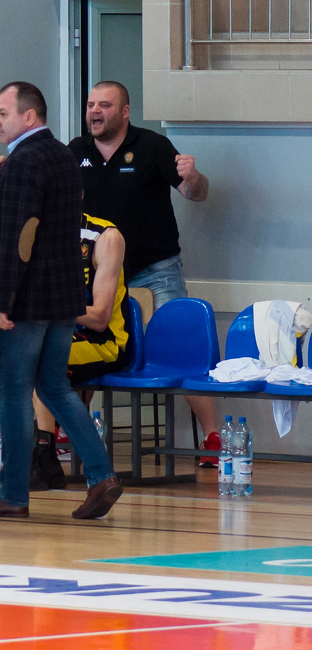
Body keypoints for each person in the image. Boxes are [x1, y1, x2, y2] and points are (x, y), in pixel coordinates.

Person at [0, 82, 123, 522]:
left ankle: (13, 493)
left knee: (15, 392)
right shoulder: (61, 155)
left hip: (28, 299)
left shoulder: (26, 160)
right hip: (62, 297)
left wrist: (3, 297)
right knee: (53, 387)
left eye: (3, 113)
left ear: (28, 116)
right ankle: (101, 475)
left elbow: (22, 235)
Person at [71, 81, 217, 466]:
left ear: (125, 112)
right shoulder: (75, 151)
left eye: (104, 105)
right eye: (91, 104)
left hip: (155, 271)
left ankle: (213, 437)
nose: (95, 111)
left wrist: (193, 177)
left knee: (179, 346)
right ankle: (72, 434)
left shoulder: (152, 146)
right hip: (96, 274)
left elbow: (196, 193)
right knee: (80, 343)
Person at [0, 212, 128, 490]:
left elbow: (100, 318)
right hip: (48, 328)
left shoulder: (106, 237)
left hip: (101, 340)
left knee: (39, 349)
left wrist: (42, 304)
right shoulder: (33, 233)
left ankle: (45, 456)